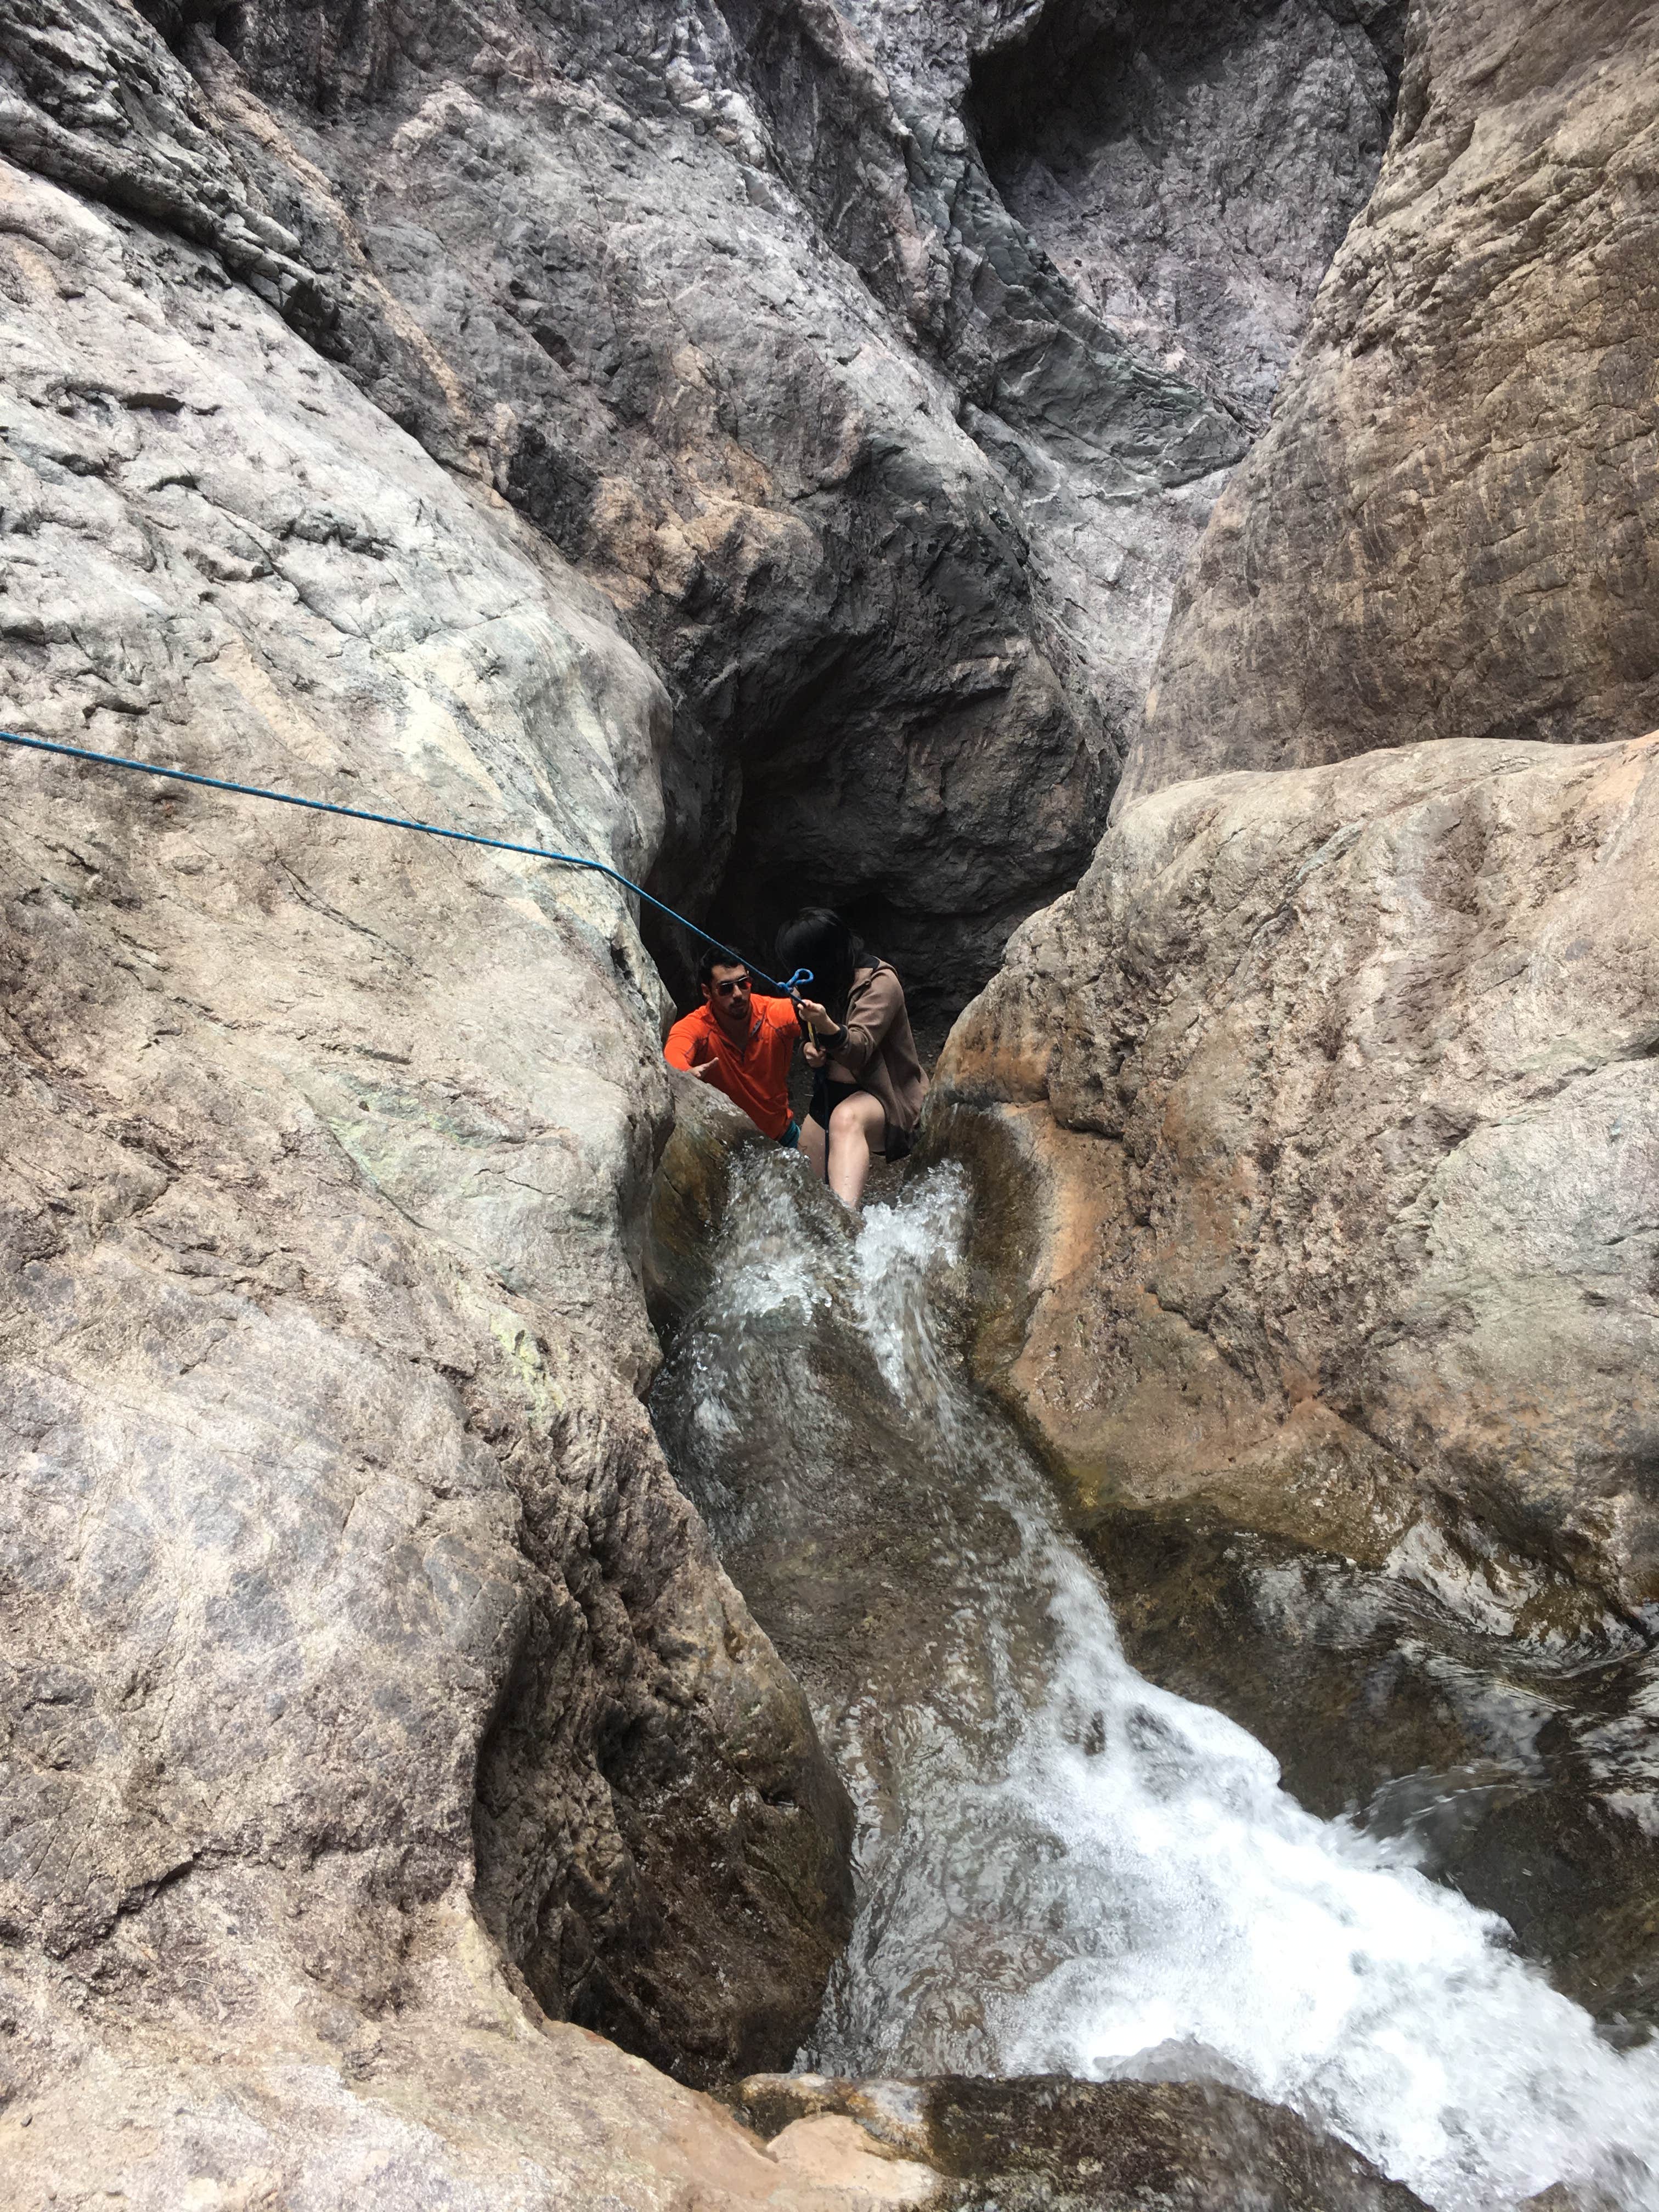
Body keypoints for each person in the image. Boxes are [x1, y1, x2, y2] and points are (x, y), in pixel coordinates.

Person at [776, 908, 927, 1211]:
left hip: (886, 1098)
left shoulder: (880, 983)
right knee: (804, 1199)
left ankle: (847, 1223)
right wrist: (810, 1050)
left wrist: (826, 1026)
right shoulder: (808, 987)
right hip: (831, 1095)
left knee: (846, 1120)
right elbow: (811, 1040)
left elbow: (859, 1049)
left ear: (820, 961)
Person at [663, 949, 802, 1147]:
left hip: (783, 1136)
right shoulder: (696, 1028)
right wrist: (685, 1075)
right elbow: (673, 1058)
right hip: (727, 1148)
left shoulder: (773, 1015)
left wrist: (814, 1041)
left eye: (743, 983)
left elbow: (815, 1024)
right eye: (726, 988)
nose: (737, 994)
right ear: (707, 992)